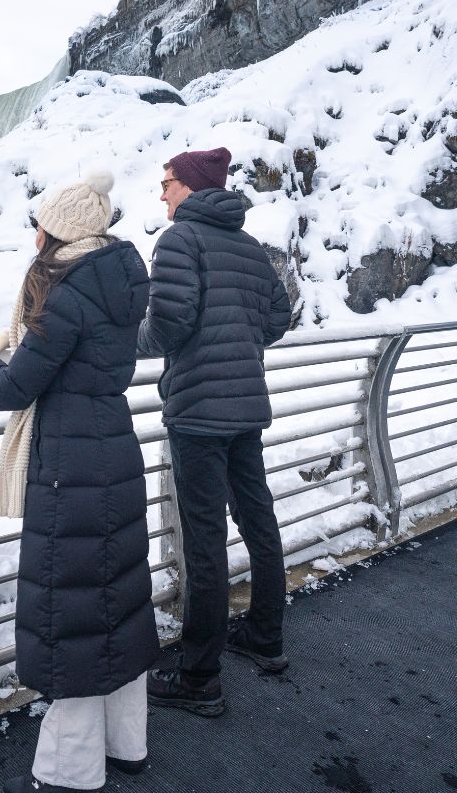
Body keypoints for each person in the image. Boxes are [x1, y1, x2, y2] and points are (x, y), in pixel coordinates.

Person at [0, 168, 158, 793]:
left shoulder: (66, 291)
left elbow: (13, 387)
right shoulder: (117, 276)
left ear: (59, 231)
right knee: (116, 600)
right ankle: (127, 746)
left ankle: (71, 772)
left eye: (40, 223)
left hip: (70, 466)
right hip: (113, 450)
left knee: (73, 615)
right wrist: (18, 336)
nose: (34, 233)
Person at [137, 147, 292, 718]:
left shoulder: (180, 240)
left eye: (167, 182)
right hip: (246, 405)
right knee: (257, 518)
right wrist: (238, 344)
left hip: (199, 412)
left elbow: (170, 326)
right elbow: (278, 317)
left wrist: (129, 340)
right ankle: (265, 637)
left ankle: (199, 676)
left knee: (203, 540)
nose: (162, 193)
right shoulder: (248, 246)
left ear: (192, 187)